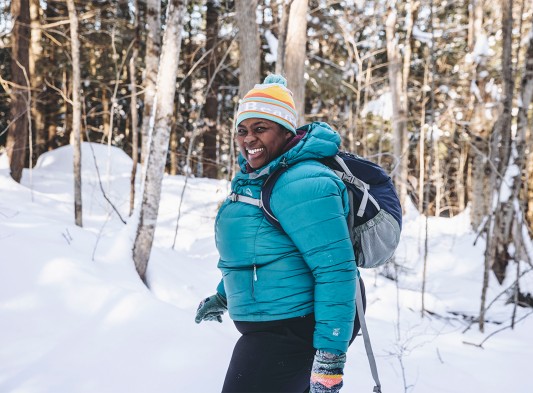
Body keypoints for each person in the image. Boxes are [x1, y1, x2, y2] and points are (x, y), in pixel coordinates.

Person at [195, 74, 365, 393]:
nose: (249, 139)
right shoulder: (261, 178)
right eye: (243, 130)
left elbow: (337, 271)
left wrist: (329, 357)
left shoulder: (302, 183)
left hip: (295, 328)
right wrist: (224, 295)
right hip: (276, 327)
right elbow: (259, 252)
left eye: (261, 129)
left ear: (285, 132)